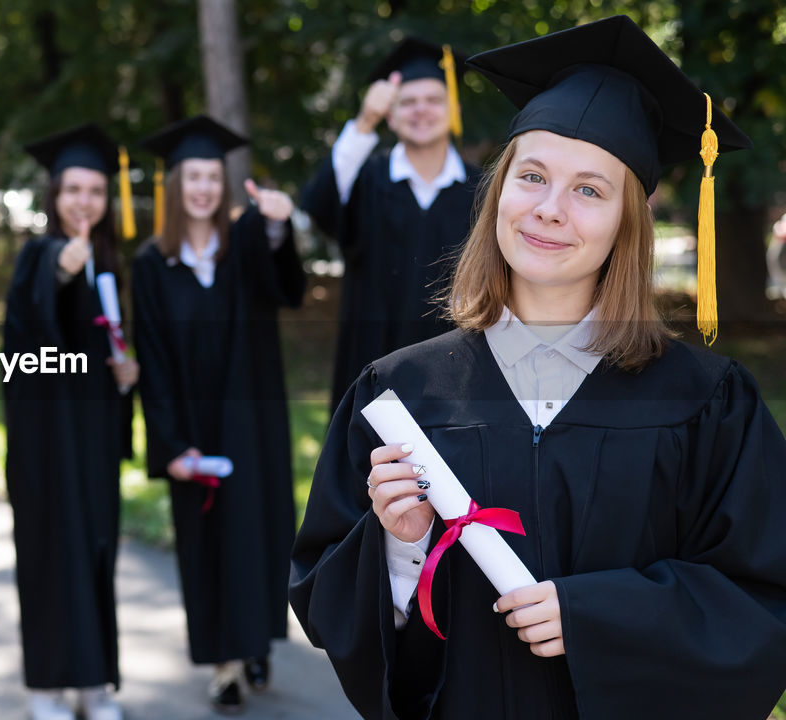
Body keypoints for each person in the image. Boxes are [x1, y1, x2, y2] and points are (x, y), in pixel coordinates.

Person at [290, 16, 786, 720]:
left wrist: (598, 619)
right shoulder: (400, 394)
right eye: (531, 176)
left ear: (629, 220)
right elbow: (333, 607)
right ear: (498, 194)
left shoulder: (709, 404)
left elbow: (761, 602)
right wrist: (401, 551)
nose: (549, 210)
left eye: (589, 189)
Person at [133, 115, 304, 714]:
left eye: (212, 176)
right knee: (205, 541)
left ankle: (255, 643)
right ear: (175, 186)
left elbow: (286, 288)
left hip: (251, 421)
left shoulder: (246, 245)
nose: (203, 187)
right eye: (192, 177)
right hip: (193, 427)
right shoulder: (153, 264)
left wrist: (279, 227)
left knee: (255, 533)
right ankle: (224, 665)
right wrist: (171, 443)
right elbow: (150, 358)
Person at [3, 122, 139, 720]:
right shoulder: (39, 255)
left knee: (95, 552)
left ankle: (91, 683)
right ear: (53, 196)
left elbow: (101, 353)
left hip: (93, 440)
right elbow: (12, 351)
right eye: (72, 190)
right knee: (49, 555)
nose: (83, 201)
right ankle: (45, 689)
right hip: (46, 443)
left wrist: (124, 373)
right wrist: (60, 271)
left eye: (94, 191)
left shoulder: (109, 266)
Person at [300, 38, 480, 410]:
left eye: (433, 100)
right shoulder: (365, 179)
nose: (421, 111)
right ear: (391, 116)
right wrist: (364, 122)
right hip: (370, 365)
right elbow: (318, 204)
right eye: (407, 102)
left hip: (457, 373)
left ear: (454, 109)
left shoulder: (482, 192)